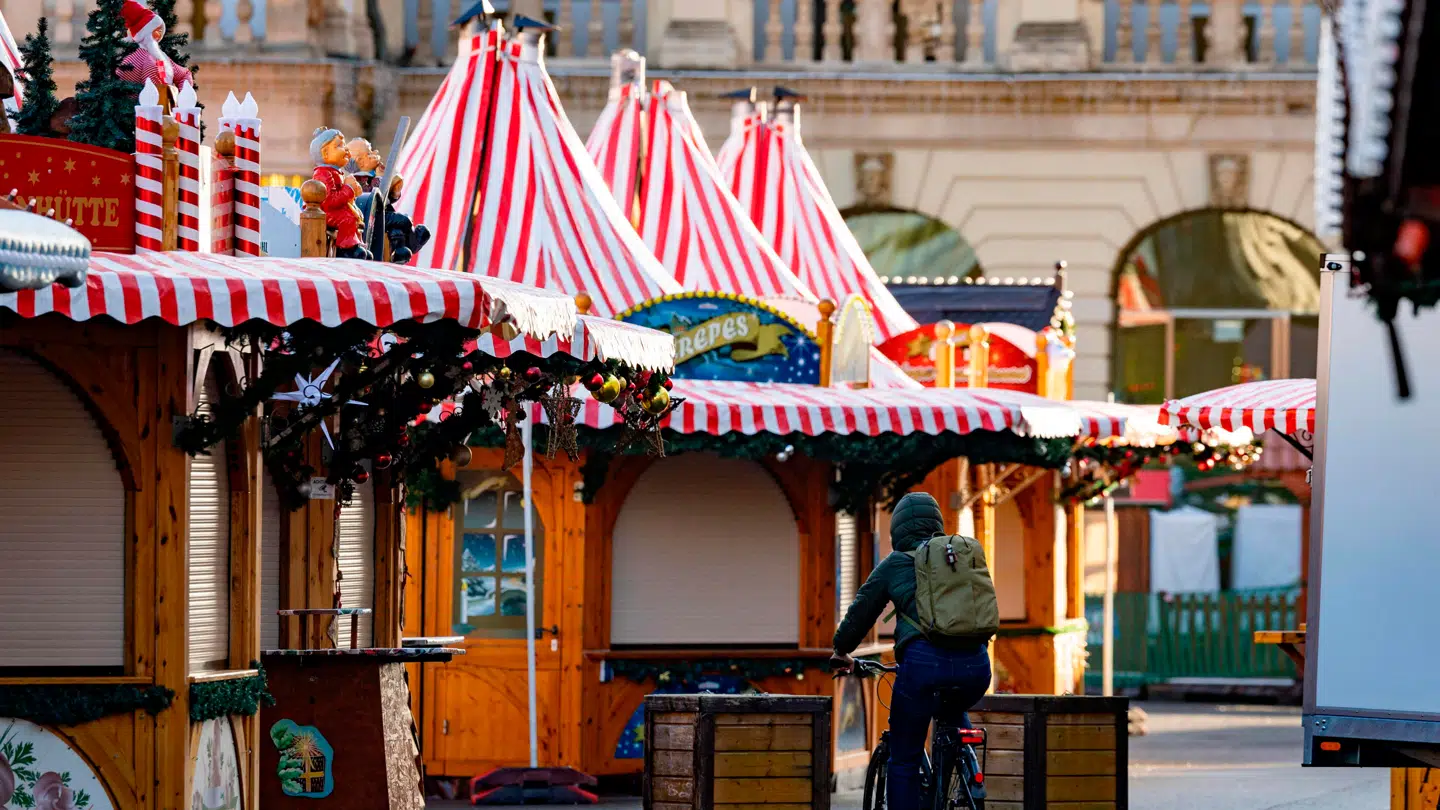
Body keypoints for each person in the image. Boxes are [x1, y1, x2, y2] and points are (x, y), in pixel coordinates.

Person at [831, 492, 993, 810]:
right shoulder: (957, 559)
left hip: (922, 666)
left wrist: (841, 648)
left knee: (904, 758)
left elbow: (861, 611)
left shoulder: (896, 563)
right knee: (952, 716)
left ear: (898, 530)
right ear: (937, 523)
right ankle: (958, 772)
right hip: (977, 666)